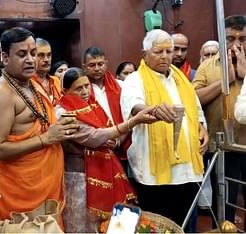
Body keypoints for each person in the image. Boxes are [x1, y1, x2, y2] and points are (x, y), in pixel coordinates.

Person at [0, 27, 78, 226]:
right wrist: (46, 139)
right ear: (5, 57)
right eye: (22, 54)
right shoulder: (1, 94)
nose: (30, 59)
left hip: (45, 187)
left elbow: (42, 123)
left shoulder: (32, 84)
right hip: (19, 192)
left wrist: (60, 127)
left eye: (33, 53)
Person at [121, 29, 209, 226]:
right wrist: (153, 109)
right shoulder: (135, 80)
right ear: (144, 54)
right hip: (154, 172)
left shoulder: (181, 80)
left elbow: (195, 110)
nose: (165, 56)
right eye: (158, 52)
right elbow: (134, 107)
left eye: (168, 51)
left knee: (185, 225)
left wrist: (202, 128)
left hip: (187, 169)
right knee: (156, 225)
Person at [56, 67, 157, 233]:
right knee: (83, 224)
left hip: (105, 169)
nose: (84, 92)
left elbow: (109, 129)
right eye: (78, 88)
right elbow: (94, 137)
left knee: (107, 222)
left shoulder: (93, 105)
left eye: (86, 86)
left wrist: (114, 141)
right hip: (79, 178)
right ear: (65, 91)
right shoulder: (62, 112)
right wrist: (132, 122)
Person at [193, 15, 246, 229]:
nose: (236, 44)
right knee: (224, 204)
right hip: (222, 148)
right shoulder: (207, 66)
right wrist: (225, 82)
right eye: (230, 38)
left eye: (242, 38)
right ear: (221, 39)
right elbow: (193, 98)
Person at [82, 46, 131, 173]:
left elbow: (130, 117)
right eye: (92, 65)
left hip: (122, 144)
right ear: (84, 67)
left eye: (100, 64)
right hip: (94, 150)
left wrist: (119, 141)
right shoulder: (81, 90)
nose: (97, 68)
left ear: (106, 64)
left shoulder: (121, 86)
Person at [32, 38, 62, 105]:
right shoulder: (27, 84)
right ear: (32, 57)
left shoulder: (56, 81)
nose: (46, 59)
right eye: (41, 55)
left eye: (49, 55)